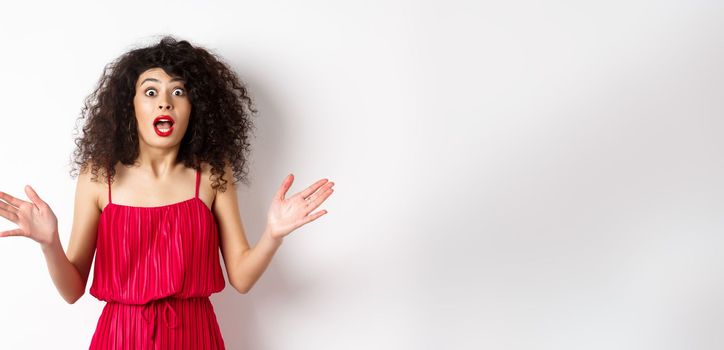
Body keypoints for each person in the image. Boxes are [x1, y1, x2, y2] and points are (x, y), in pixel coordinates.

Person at [0, 35, 334, 349]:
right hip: (121, 338)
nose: (165, 104)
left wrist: (273, 234)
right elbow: (72, 291)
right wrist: (49, 243)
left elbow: (242, 279)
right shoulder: (99, 177)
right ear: (129, 106)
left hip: (195, 336)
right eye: (150, 92)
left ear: (194, 107)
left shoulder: (213, 174)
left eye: (178, 92)